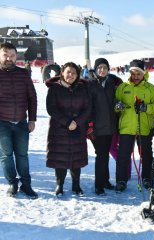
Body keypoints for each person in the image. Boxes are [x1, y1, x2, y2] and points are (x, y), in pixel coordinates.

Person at [114, 59, 154, 191]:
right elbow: (115, 105)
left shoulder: (151, 89)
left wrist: (146, 107)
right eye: (133, 74)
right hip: (126, 128)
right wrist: (117, 106)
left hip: (144, 128)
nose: (135, 77)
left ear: (143, 73)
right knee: (123, 155)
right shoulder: (123, 87)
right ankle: (121, 180)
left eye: (138, 74)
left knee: (146, 155)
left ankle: (147, 177)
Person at [45, 62, 91, 197]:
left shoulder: (83, 88)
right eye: (68, 72)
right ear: (62, 73)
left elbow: (88, 108)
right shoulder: (54, 88)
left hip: (78, 128)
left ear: (77, 75)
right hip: (59, 128)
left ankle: (76, 184)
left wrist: (77, 122)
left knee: (76, 158)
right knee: (60, 157)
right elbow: (51, 108)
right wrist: (67, 122)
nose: (70, 75)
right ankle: (60, 184)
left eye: (74, 73)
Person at [0, 42, 38, 199]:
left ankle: (26, 185)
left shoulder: (23, 74)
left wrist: (32, 119)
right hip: (2, 123)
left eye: (12, 55)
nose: (9, 58)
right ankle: (12, 183)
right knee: (6, 155)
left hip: (22, 122)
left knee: (22, 155)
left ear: (16, 56)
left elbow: (32, 97)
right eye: (5, 55)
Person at [87, 58, 123, 195]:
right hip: (96, 127)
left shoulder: (110, 83)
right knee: (101, 155)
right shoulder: (90, 84)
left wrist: (117, 104)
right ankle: (99, 185)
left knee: (104, 155)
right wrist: (89, 125)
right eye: (100, 68)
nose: (102, 70)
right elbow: (87, 106)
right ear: (96, 69)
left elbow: (114, 100)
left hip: (109, 126)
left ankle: (105, 180)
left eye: (105, 68)